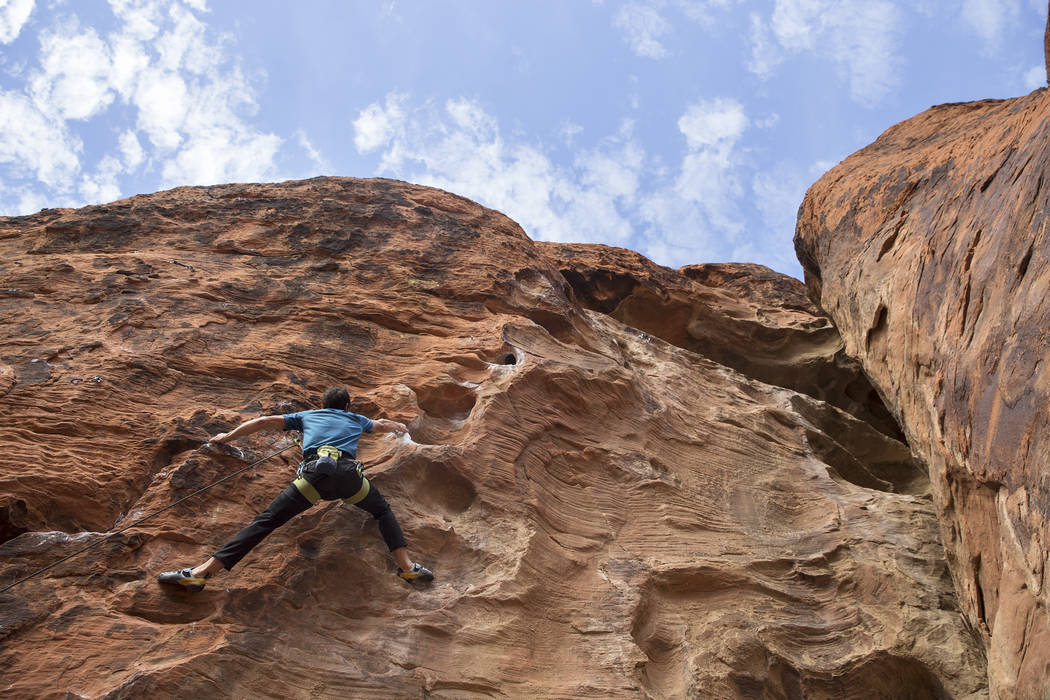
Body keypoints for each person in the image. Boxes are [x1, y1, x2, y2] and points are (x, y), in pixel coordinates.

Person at [157, 387, 433, 591]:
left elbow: (262, 422)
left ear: (322, 404)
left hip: (312, 480)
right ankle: (407, 568)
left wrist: (226, 436)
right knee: (382, 511)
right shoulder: (356, 420)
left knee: (265, 522)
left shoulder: (308, 415)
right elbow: (383, 425)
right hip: (349, 479)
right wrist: (400, 427)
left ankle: (201, 573)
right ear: (347, 406)